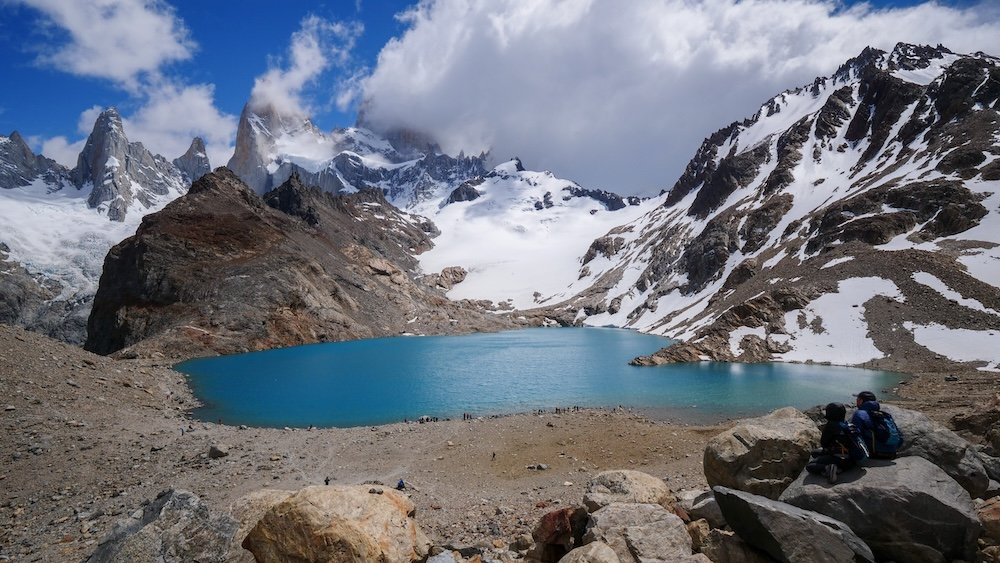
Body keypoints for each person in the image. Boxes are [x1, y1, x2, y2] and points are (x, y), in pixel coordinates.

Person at [806, 402, 868, 483]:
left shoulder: (831, 426)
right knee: (815, 453)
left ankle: (829, 468)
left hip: (840, 459)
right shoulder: (848, 424)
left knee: (810, 466)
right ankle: (839, 469)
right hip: (852, 460)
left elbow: (824, 444)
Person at [851, 390, 903, 458]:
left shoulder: (859, 414)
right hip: (892, 453)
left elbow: (855, 434)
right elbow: (900, 436)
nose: (856, 401)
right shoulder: (885, 415)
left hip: (874, 453)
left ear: (861, 401)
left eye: (857, 399)